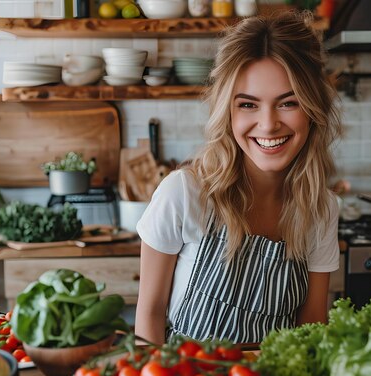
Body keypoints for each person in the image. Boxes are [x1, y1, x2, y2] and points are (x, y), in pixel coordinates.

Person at [135, 11, 342, 345]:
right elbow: (150, 314)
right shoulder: (185, 194)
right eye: (248, 105)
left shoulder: (321, 208)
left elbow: (312, 326)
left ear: (312, 107)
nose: (268, 123)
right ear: (226, 111)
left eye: (288, 103)